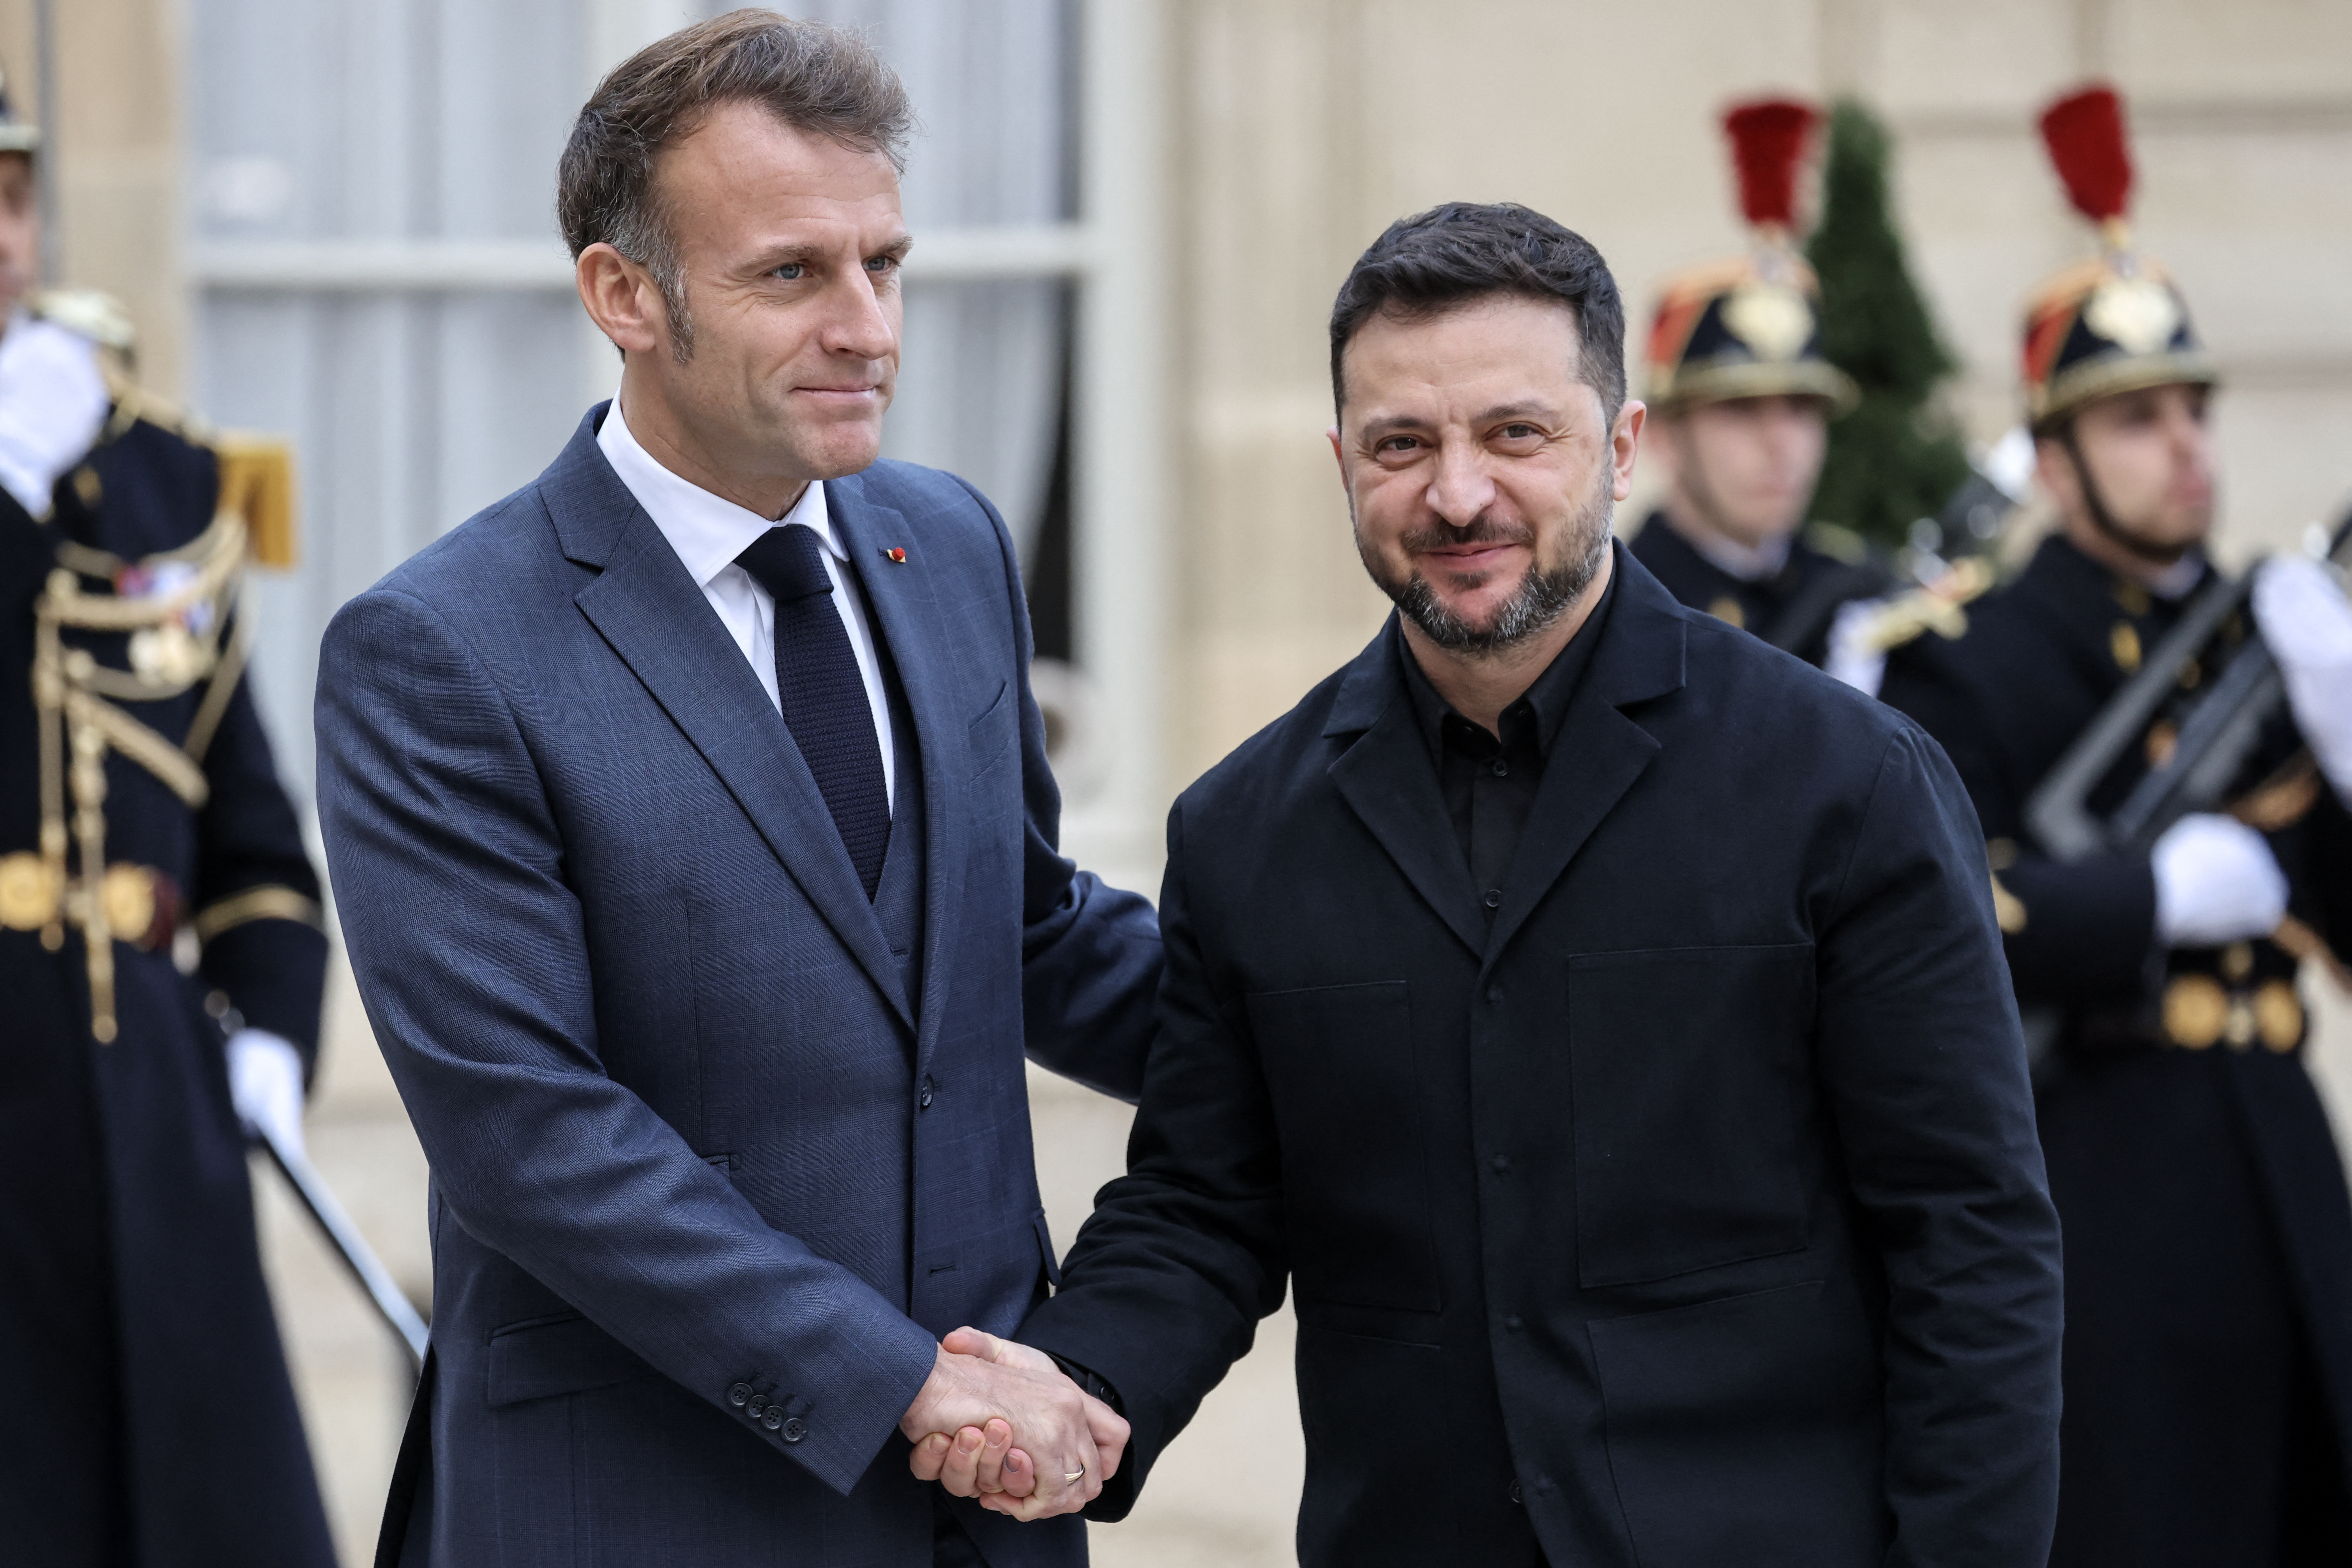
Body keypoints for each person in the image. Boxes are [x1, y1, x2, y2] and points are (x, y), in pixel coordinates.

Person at [920, 201, 2065, 1566]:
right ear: (1343, 463)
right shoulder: (1242, 832)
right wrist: (1083, 1389)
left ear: (1621, 445)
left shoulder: (1848, 784)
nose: (1457, 495)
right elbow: (1204, 1206)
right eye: (1403, 445)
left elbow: (1972, 1243)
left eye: (1515, 434)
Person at [313, 15, 1158, 1567]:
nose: (869, 327)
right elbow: (533, 1139)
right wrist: (906, 1385)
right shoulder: (438, 649)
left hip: (989, 1509)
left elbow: (1022, 932)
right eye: (794, 274)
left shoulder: (952, 544)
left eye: (884, 264)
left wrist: (1355, 1014)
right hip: (641, 1502)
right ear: (624, 295)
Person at [1877, 84, 2352, 1565]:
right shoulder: (1967, 656)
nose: (2188, 451)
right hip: (2102, 1180)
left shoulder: (2275, 638)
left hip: (2279, 1158)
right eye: (2137, 421)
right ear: (2058, 459)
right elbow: (1936, 920)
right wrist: (2148, 903)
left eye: (2196, 413)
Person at [0, 74, 337, 1568]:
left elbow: (250, 834)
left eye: (10, 200)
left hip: (146, 1101)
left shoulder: (152, 474)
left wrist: (267, 1029)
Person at [1628, 99, 1895, 671]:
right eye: (1741, 411)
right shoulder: (1621, 609)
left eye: (1801, 410)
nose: (1782, 442)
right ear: (1664, 438)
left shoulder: (1855, 585)